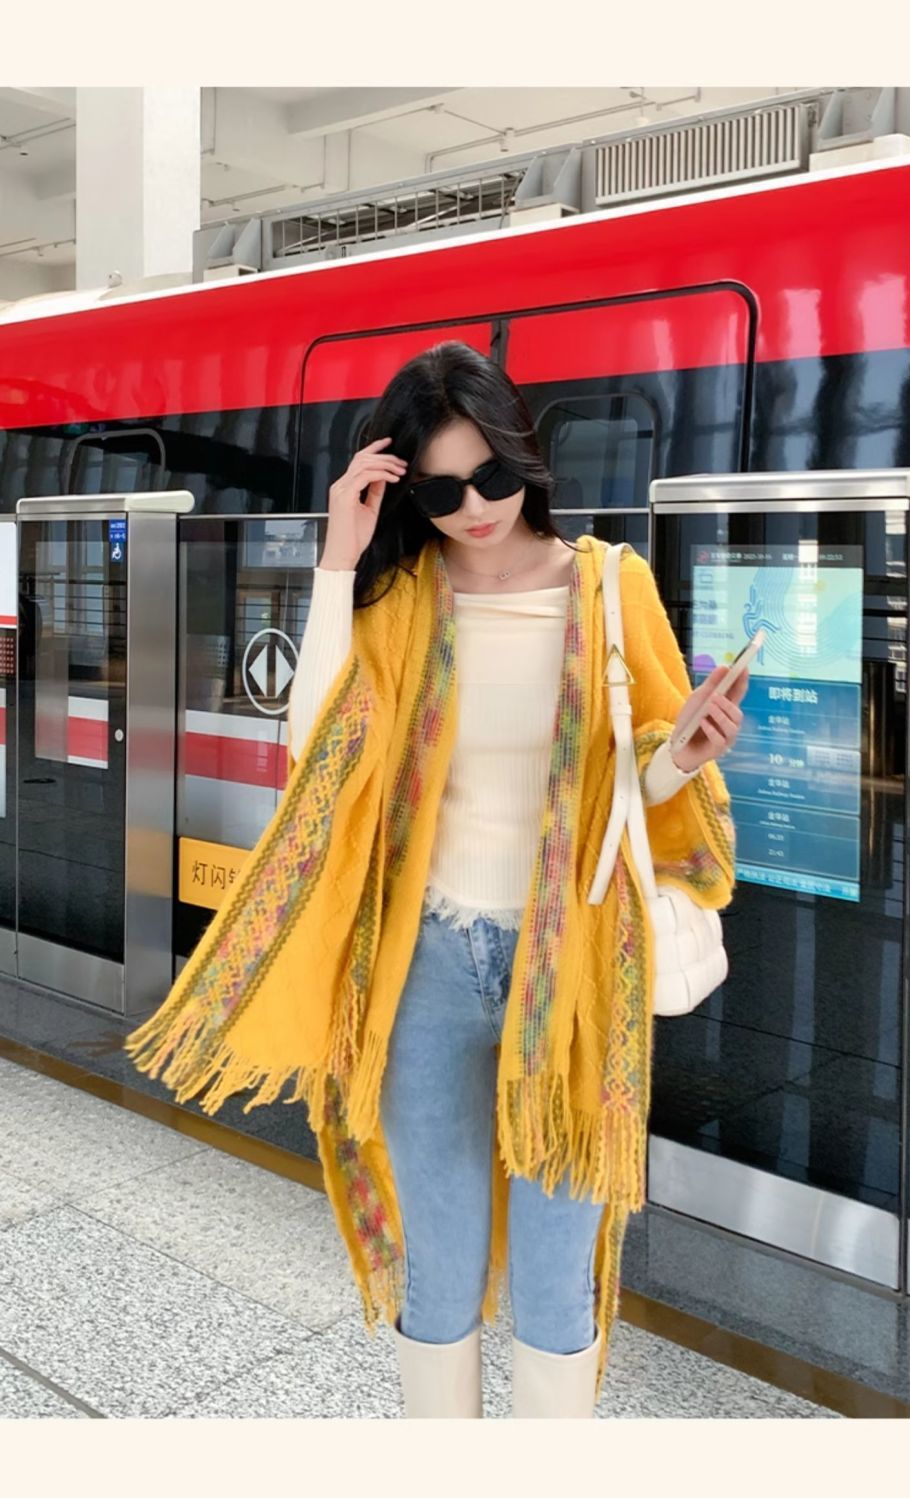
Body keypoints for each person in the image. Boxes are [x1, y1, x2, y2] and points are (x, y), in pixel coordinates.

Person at [125, 340, 744, 1420]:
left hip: (571, 968)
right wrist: (338, 554)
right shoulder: (403, 593)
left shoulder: (609, 584)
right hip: (425, 968)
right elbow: (317, 742)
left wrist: (680, 757)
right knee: (439, 1267)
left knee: (555, 1282)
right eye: (443, 490)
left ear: (523, 456)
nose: (475, 508)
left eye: (491, 476)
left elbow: (635, 771)